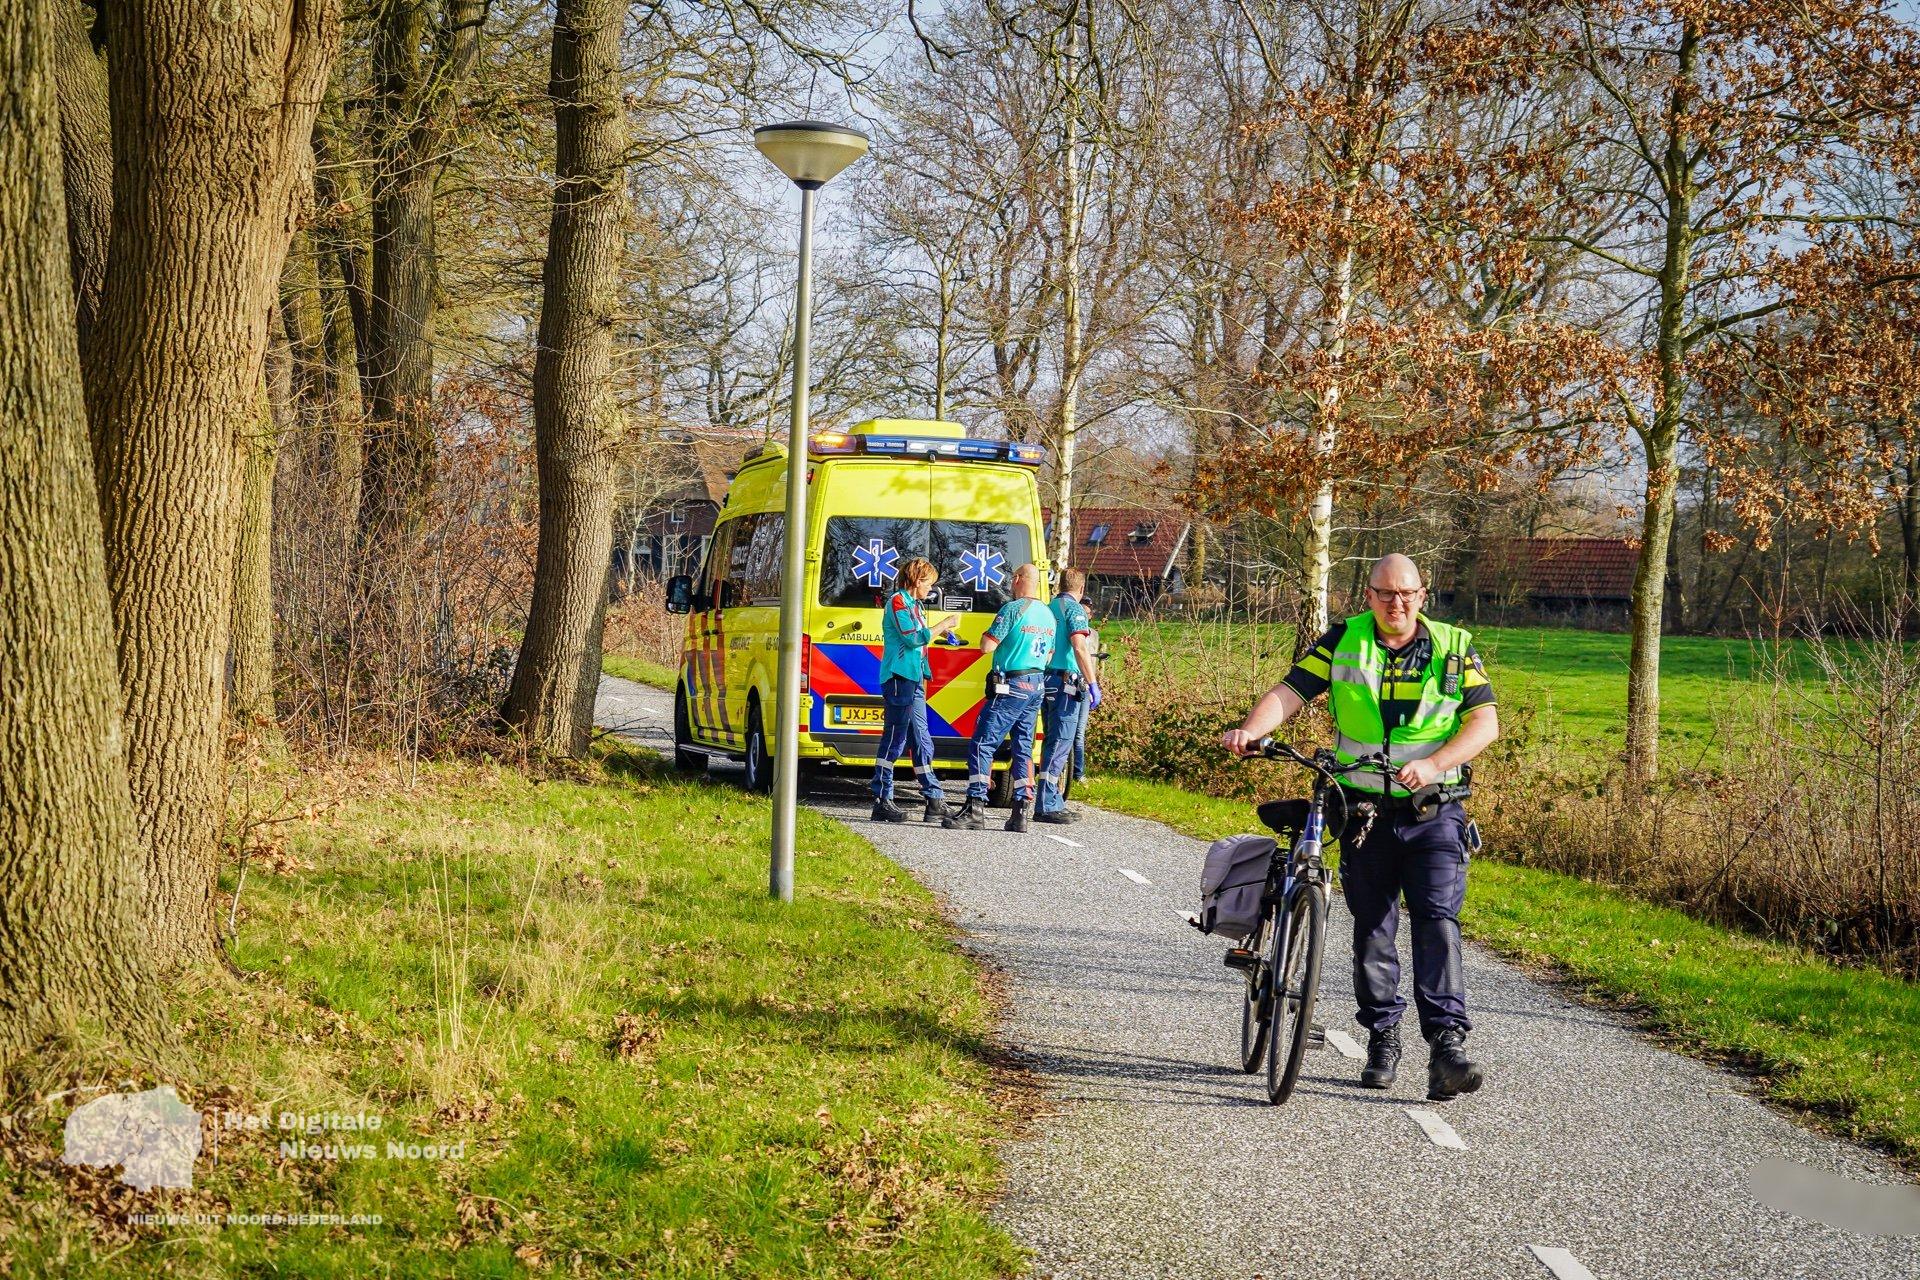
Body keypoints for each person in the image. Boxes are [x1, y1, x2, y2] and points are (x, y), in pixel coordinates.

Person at [1221, 553, 1499, 1102]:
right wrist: (1251, 729)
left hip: (1435, 809)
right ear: (1368, 596)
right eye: (1386, 593)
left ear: (1422, 596)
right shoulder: (1344, 640)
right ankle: (1383, 1038)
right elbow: (1290, 691)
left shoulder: (1454, 647)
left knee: (1437, 920)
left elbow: (1484, 722)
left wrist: (1435, 764)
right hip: (1363, 810)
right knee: (1373, 926)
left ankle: (1447, 1047)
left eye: (1407, 593)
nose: (1397, 603)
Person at [944, 563, 1053, 833]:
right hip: (1036, 684)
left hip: (1012, 685)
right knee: (1023, 747)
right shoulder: (1048, 614)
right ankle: (1020, 813)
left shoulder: (1013, 609)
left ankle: (975, 807)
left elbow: (987, 646)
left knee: (983, 743)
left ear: (1017, 579)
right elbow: (1049, 655)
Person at [870, 558, 960, 824]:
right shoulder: (898, 601)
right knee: (895, 739)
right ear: (918, 581)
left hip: (915, 677)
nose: (931, 589)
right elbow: (911, 638)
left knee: (922, 739)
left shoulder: (916, 605)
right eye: (929, 583)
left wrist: (942, 634)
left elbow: (920, 634)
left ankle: (934, 800)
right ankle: (881, 800)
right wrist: (943, 623)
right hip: (899, 678)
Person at [1035, 568, 1100, 824]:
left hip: (1046, 679)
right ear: (1081, 589)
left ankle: (1050, 800)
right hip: (1066, 682)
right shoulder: (1075, 610)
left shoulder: (1048, 607)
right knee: (1061, 741)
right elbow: (1079, 647)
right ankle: (1048, 804)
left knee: (1051, 741)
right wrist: (1093, 683)